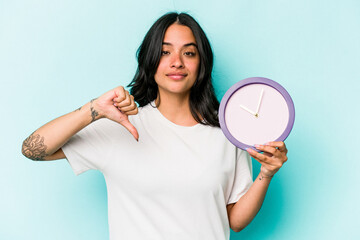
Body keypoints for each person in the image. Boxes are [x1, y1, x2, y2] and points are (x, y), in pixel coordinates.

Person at [22, 12, 288, 240]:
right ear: (150, 61)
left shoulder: (226, 132)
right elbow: (33, 148)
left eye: (189, 52)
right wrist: (93, 110)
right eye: (164, 51)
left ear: (201, 64)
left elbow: (235, 221)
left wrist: (266, 173)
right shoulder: (120, 125)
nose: (177, 62)